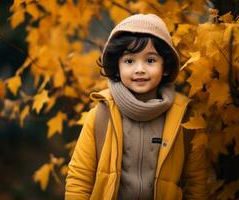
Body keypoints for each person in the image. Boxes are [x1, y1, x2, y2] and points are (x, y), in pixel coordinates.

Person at [65, 14, 208, 200]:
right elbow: (79, 179)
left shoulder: (184, 120)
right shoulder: (101, 115)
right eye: (129, 61)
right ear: (117, 66)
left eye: (150, 60)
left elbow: (197, 184)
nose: (139, 69)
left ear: (165, 66)